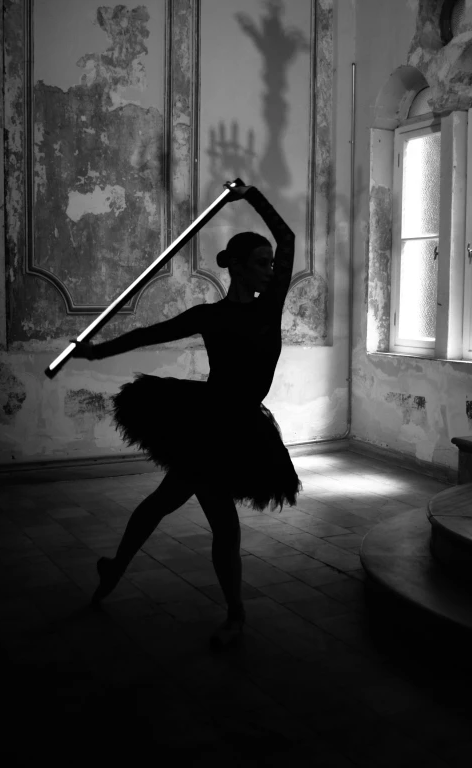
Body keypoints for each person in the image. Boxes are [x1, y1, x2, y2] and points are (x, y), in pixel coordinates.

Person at [70, 181, 302, 649]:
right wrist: (95, 353)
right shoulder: (209, 316)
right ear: (235, 267)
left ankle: (115, 569)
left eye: (270, 264)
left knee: (165, 499)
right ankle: (235, 614)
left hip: (241, 424)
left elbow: (289, 240)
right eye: (260, 264)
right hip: (209, 424)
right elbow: (150, 334)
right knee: (218, 521)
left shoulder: (270, 305)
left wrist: (252, 194)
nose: (270, 270)